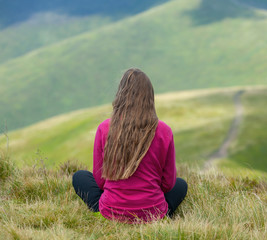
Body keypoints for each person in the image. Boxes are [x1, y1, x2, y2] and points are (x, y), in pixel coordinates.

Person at [72, 68, 188, 223]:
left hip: (111, 212)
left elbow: (100, 182)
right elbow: (168, 184)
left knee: (80, 177)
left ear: (120, 95)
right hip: (152, 213)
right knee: (180, 185)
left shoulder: (105, 128)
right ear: (150, 97)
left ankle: (103, 213)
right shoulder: (164, 131)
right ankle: (161, 215)